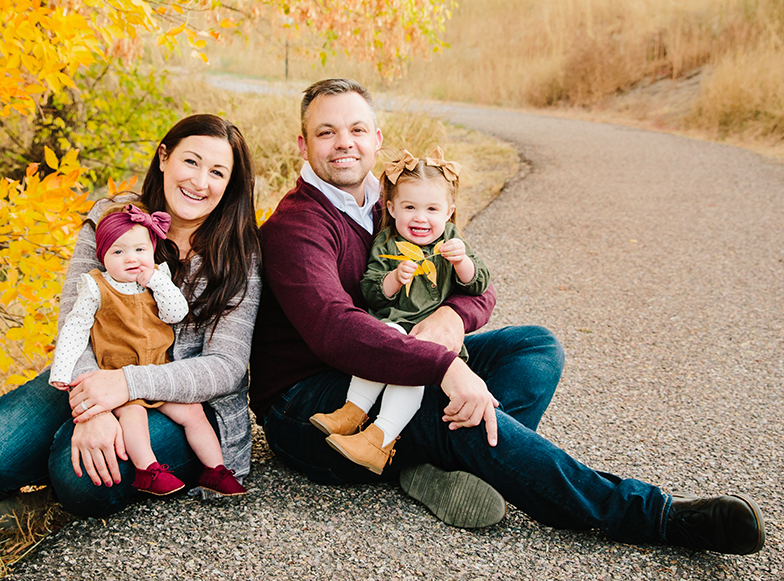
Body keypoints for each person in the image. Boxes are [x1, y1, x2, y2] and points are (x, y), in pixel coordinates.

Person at [249, 78, 765, 554]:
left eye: (357, 129)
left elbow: (478, 285)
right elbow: (333, 329)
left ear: (377, 137)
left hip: (392, 370)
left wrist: (452, 316)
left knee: (535, 347)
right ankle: (654, 517)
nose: (345, 142)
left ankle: (423, 462)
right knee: (468, 414)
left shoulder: (398, 205)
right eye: (326, 132)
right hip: (311, 405)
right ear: (303, 145)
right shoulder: (295, 227)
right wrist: (444, 367)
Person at [0, 113, 261, 541]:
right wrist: (94, 405)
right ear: (164, 156)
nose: (200, 181)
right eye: (191, 162)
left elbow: (226, 366)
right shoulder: (113, 216)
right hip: (96, 371)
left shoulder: (239, 251)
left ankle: (42, 501)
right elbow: (73, 320)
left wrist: (127, 385)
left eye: (217, 172)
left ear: (229, 184)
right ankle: (10, 492)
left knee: (78, 476)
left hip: (186, 402)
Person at [310, 147, 490, 475]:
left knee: (413, 363)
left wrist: (462, 262)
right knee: (386, 340)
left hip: (431, 339)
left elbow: (479, 285)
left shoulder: (450, 241)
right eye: (410, 207)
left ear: (449, 211)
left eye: (432, 209)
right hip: (393, 326)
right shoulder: (387, 244)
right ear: (391, 208)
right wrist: (394, 279)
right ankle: (352, 412)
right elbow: (371, 292)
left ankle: (380, 439)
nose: (420, 218)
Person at [48, 204, 245, 497]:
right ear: (102, 256)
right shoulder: (96, 286)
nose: (131, 259)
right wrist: (62, 372)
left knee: (192, 412)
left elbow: (176, 313)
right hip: (115, 372)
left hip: (156, 369)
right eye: (118, 252)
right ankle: (147, 470)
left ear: (151, 250)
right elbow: (74, 328)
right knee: (134, 413)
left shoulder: (156, 280)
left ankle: (215, 470)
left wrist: (155, 280)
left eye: (140, 250)